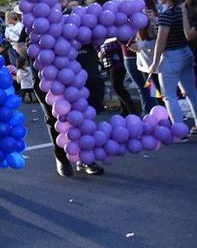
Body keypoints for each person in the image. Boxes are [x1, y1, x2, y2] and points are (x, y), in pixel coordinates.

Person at [17, 29, 105, 177]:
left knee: (82, 116)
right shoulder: (34, 19)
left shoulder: (75, 12)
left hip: (77, 72)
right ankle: (61, 158)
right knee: (54, 116)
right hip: (46, 75)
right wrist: (29, 49)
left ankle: (85, 159)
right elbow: (20, 46)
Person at [149, 0, 197, 136]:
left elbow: (161, 42)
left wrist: (154, 62)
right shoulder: (184, 11)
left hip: (171, 56)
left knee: (169, 96)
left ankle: (179, 130)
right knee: (191, 91)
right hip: (186, 52)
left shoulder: (167, 15)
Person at [99, 38, 139, 116]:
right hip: (108, 64)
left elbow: (120, 45)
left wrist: (106, 51)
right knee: (117, 87)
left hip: (118, 64)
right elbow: (99, 47)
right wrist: (99, 53)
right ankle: (125, 110)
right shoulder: (103, 36)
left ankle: (132, 110)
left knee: (118, 87)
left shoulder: (116, 34)